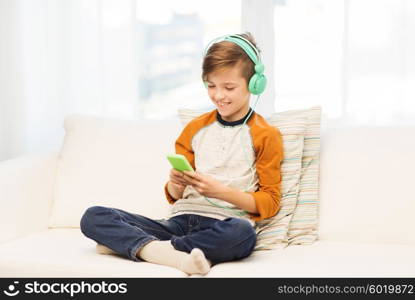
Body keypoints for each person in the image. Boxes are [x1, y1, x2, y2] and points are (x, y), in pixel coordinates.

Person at [80, 32, 284, 275]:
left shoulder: (265, 134)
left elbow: (270, 203)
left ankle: (142, 248)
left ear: (253, 84)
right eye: (211, 86)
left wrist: (220, 192)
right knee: (93, 216)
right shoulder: (195, 128)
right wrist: (175, 184)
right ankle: (169, 252)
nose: (218, 95)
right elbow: (176, 196)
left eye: (229, 87)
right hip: (178, 222)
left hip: (223, 224)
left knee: (243, 234)